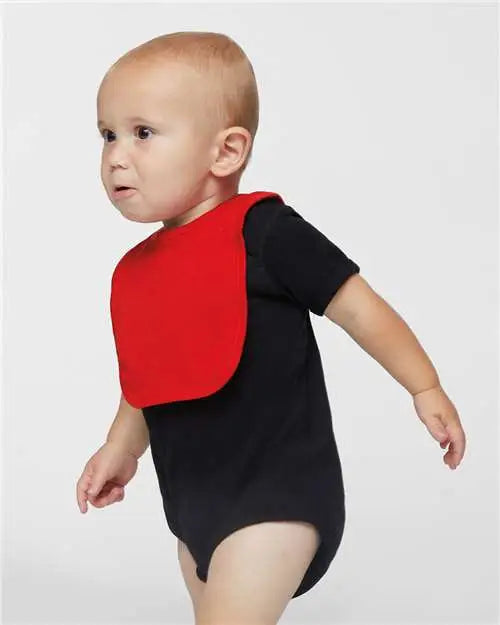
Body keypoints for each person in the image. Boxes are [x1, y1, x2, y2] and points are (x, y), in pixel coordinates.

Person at [76, 31, 466, 625]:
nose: (116, 156)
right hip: (192, 504)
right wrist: (120, 447)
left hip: (276, 493)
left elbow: (359, 308)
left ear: (226, 152)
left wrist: (424, 384)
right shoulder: (139, 271)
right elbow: (150, 377)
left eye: (143, 133)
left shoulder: (266, 233)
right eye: (108, 135)